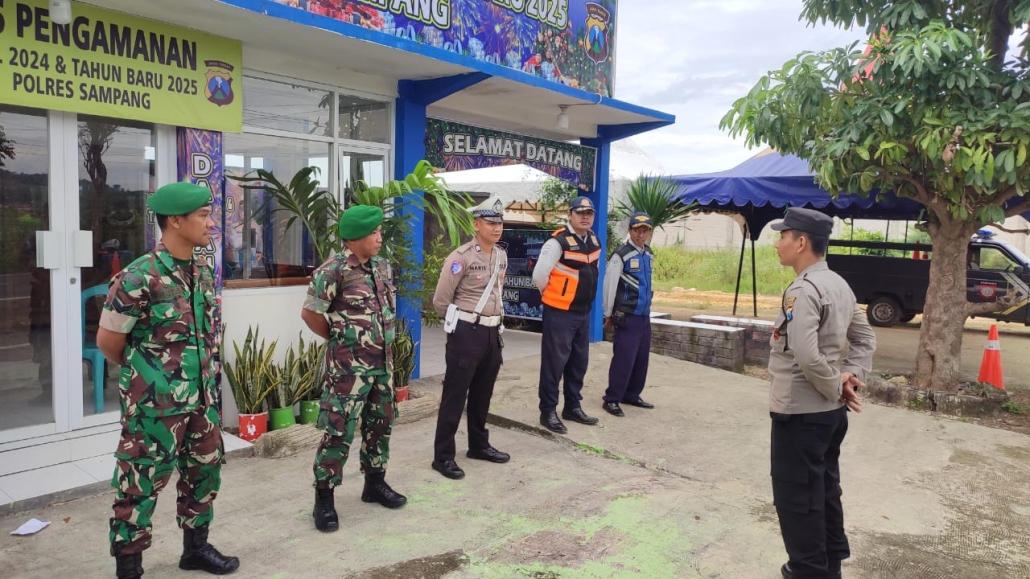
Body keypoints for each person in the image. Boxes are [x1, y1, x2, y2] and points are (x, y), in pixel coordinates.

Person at [96, 182, 239, 579]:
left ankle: (196, 549)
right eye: (203, 216)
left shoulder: (202, 272)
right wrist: (151, 378)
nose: (211, 223)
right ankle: (129, 565)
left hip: (201, 400)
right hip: (154, 408)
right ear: (175, 221)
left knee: (204, 473)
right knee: (139, 483)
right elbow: (109, 342)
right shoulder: (138, 277)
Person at [767, 207, 876, 579]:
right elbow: (866, 339)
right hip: (829, 417)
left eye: (783, 236)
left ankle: (808, 570)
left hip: (801, 415)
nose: (778, 243)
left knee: (798, 502)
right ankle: (828, 569)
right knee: (825, 492)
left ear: (801, 242)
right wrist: (848, 377)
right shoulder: (838, 284)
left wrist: (835, 386)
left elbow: (806, 353)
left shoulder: (804, 289)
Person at [301, 205, 406, 534]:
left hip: (382, 367)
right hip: (348, 372)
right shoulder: (332, 271)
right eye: (374, 233)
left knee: (380, 425)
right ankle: (324, 498)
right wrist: (340, 340)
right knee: (338, 432)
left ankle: (375, 483)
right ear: (356, 237)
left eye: (379, 232)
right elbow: (311, 314)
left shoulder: (381, 266)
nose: (379, 238)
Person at [430, 197, 510, 480]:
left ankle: (478, 445)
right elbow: (440, 301)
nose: (496, 228)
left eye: (499, 223)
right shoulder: (460, 257)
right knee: (455, 395)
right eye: (490, 223)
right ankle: (443, 456)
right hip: (467, 332)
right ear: (476, 225)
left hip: (492, 332)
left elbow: (498, 291)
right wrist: (462, 325)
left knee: (482, 393)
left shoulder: (501, 256)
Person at [531, 195, 602, 433]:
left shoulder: (594, 240)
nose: (585, 217)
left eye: (589, 213)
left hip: (583, 312)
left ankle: (572, 406)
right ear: (570, 215)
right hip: (560, 313)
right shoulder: (557, 242)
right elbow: (539, 276)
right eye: (580, 213)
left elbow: (594, 271)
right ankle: (548, 411)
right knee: (554, 364)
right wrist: (554, 296)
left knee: (578, 362)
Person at [601, 212, 656, 416]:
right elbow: (609, 285)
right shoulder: (621, 254)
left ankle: (632, 395)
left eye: (645, 231)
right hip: (627, 315)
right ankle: (612, 399)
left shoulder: (648, 253)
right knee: (624, 358)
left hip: (644, 315)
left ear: (649, 232)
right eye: (637, 230)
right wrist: (608, 313)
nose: (641, 235)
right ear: (629, 230)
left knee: (641, 359)